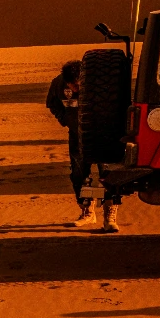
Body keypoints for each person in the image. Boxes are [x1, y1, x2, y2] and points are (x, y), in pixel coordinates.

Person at [46, 60, 99, 226]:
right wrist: (65, 119)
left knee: (108, 174)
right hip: (77, 135)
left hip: (102, 134)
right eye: (72, 86)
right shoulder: (58, 84)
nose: (76, 89)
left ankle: (110, 214)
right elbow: (52, 104)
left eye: (78, 85)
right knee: (79, 174)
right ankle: (87, 210)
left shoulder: (96, 83)